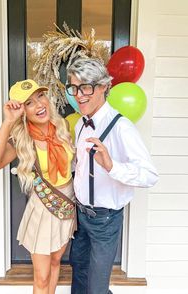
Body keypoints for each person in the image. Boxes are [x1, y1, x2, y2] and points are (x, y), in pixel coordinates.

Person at [65, 58, 158, 294]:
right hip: (81, 215)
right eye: (74, 88)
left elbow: (149, 175)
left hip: (104, 220)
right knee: (79, 276)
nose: (79, 95)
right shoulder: (80, 126)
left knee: (96, 288)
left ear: (104, 86)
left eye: (86, 87)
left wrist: (111, 165)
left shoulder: (121, 127)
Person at [0, 79, 76, 294]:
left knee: (55, 263)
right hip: (44, 208)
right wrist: (8, 123)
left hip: (67, 205)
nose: (39, 105)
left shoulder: (63, 127)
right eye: (29, 103)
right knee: (41, 277)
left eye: (40, 97)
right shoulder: (22, 139)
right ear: (22, 110)